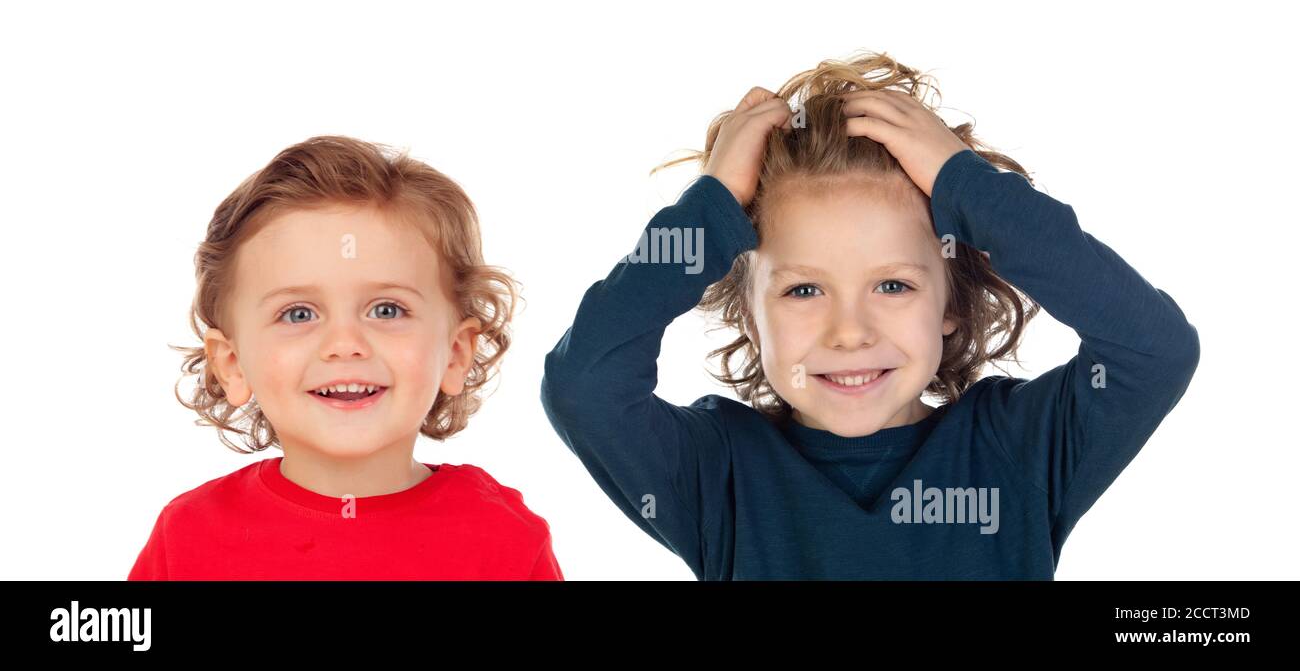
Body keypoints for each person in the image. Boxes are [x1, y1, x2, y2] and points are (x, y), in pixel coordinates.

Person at [541, 52, 1198, 579]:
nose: (849, 330)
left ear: (950, 299)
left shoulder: (1017, 451)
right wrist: (710, 207)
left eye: (892, 284)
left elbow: (1155, 349)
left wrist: (964, 185)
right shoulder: (720, 473)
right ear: (747, 310)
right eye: (803, 290)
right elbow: (583, 386)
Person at [130, 135, 561, 580]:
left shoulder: (502, 538)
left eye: (387, 309)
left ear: (455, 353)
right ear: (233, 365)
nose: (345, 343)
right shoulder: (188, 537)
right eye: (298, 313)